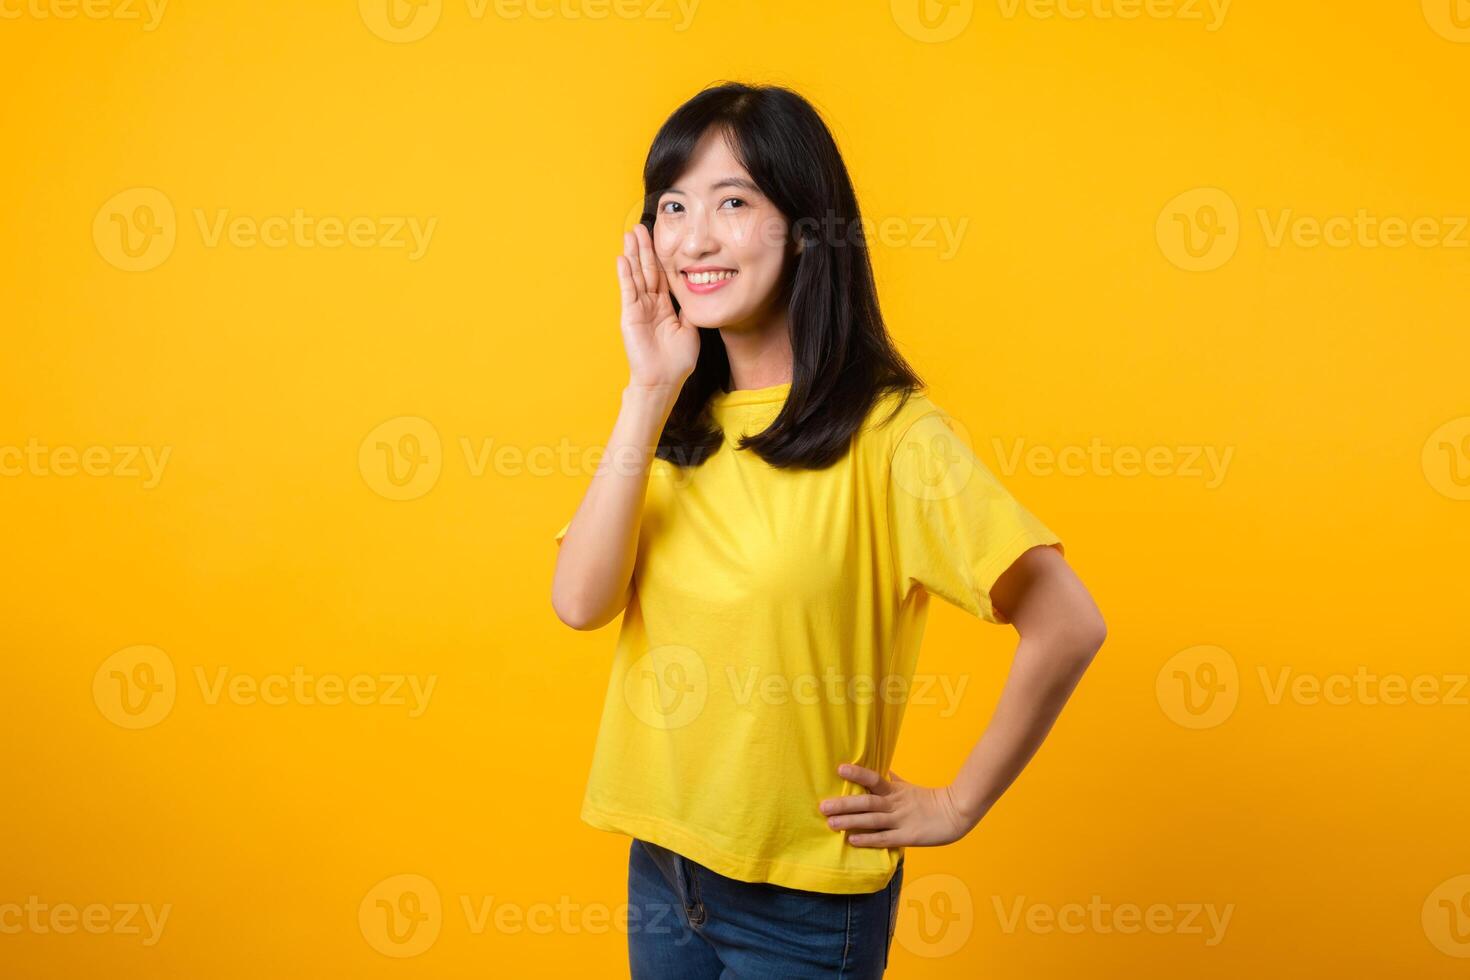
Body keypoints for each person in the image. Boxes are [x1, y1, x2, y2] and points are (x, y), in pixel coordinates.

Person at [551, 81, 1107, 979]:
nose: (694, 237)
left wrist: (958, 805)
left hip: (803, 908)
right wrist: (647, 390)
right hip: (661, 873)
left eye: (733, 202)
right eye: (673, 207)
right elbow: (580, 604)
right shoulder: (672, 427)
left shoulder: (892, 436)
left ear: (807, 227)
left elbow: (1069, 622)